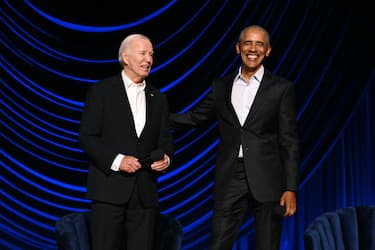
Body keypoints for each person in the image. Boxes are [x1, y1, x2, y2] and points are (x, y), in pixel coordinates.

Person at [170, 25, 300, 250]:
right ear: (237, 48)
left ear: (267, 51)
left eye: (260, 44)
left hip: (268, 178)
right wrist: (156, 114)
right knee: (218, 244)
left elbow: (289, 140)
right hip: (230, 175)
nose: (253, 49)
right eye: (248, 43)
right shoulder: (221, 86)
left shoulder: (281, 89)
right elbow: (195, 118)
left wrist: (290, 187)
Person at [79, 34, 174, 250]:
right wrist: (117, 160)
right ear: (126, 57)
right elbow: (87, 137)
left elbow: (165, 140)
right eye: (143, 53)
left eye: (151, 54)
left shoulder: (158, 98)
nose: (148, 59)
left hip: (145, 194)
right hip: (108, 189)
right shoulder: (101, 91)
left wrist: (166, 159)